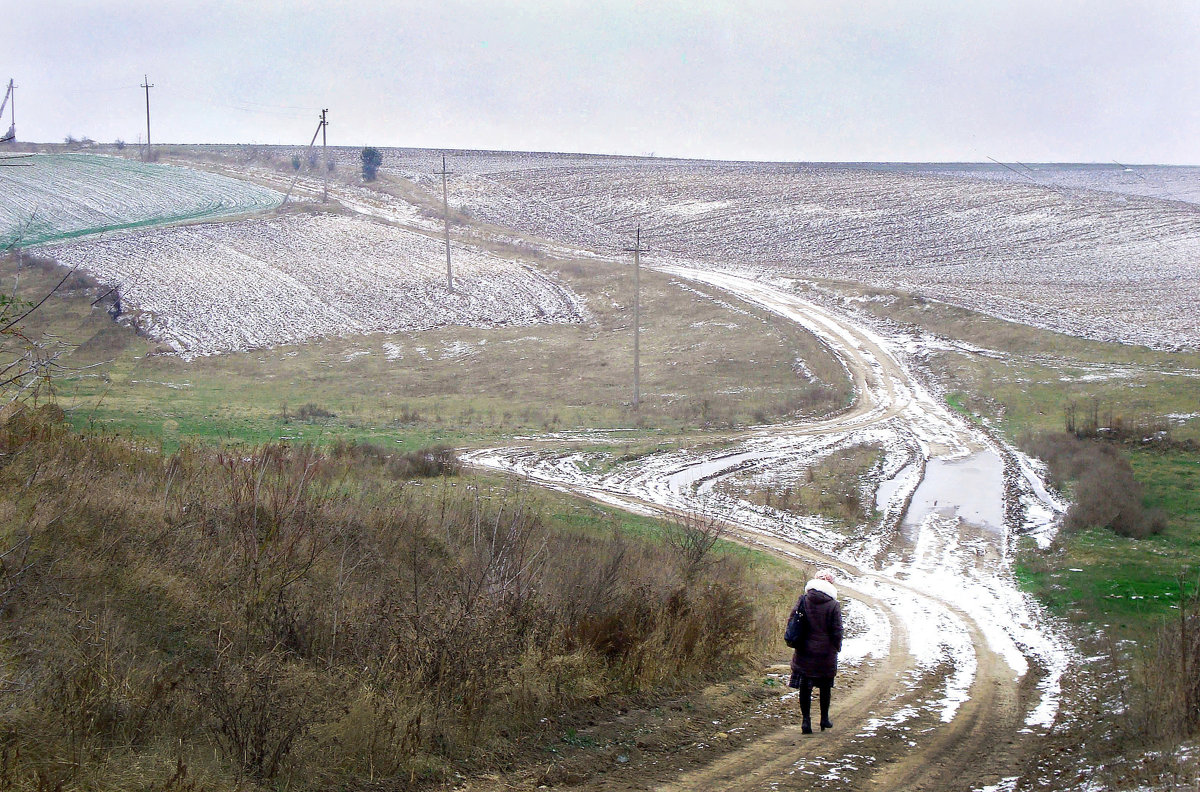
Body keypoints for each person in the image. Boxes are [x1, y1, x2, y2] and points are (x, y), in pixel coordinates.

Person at [788, 570, 843, 734]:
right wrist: (836, 647)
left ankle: (806, 721)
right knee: (825, 686)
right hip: (826, 652)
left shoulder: (804, 600)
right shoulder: (833, 605)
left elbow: (793, 620)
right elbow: (837, 630)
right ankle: (824, 718)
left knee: (805, 687)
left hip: (805, 649)